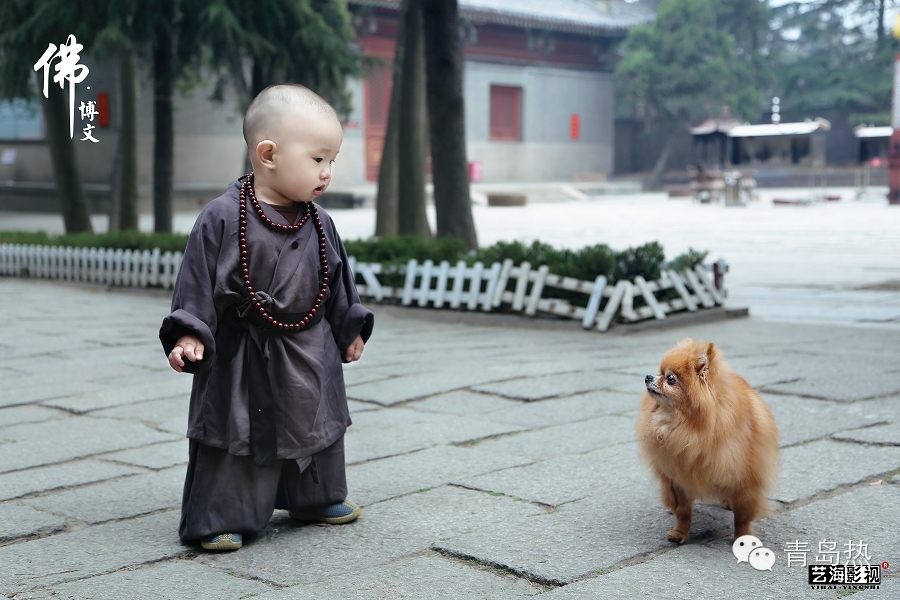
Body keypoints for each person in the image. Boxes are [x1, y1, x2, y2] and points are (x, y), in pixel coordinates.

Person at [159, 84, 374, 551]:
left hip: (309, 346)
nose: (328, 172)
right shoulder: (220, 217)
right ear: (268, 153)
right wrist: (189, 333)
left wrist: (348, 326)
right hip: (242, 350)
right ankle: (223, 513)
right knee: (234, 432)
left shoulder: (319, 222)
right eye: (318, 159)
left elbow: (337, 280)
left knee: (316, 421)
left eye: (332, 160)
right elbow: (195, 284)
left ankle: (314, 497)